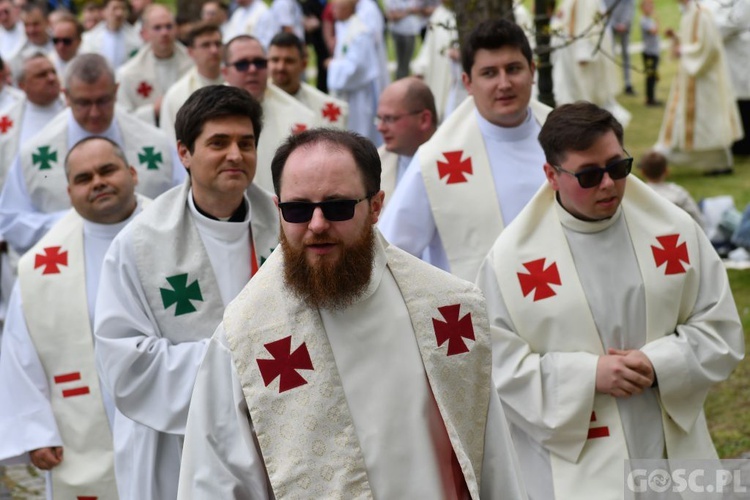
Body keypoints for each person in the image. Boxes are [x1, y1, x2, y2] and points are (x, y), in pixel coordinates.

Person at [176, 128, 527, 499]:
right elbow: (213, 481)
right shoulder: (247, 334)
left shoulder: (448, 308)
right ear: (279, 208)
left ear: (376, 206)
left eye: (337, 207)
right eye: (297, 210)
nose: (316, 225)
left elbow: (493, 459)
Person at [476, 101, 744, 500]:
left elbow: (719, 325)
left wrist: (660, 363)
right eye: (588, 175)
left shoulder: (671, 230)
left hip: (664, 440)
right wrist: (588, 376)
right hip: (578, 456)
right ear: (551, 175)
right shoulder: (512, 261)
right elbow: (498, 366)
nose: (608, 184)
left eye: (618, 167)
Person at [94, 85, 279, 500]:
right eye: (219, 142)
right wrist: (241, 365)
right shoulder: (138, 244)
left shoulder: (289, 226)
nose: (236, 154)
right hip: (175, 443)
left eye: (246, 143)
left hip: (275, 430)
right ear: (184, 153)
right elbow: (126, 362)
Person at [0, 137, 144, 500]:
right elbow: (19, 352)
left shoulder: (174, 231)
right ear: (69, 191)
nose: (97, 181)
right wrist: (37, 432)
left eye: (107, 170)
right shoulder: (39, 268)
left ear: (132, 173)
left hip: (167, 414)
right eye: (84, 178)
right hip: (86, 432)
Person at [379, 19, 550, 282]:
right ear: (468, 82)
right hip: (481, 315)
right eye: (489, 73)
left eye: (513, 69)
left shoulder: (565, 139)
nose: (504, 84)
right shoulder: (436, 160)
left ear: (532, 71)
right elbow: (390, 252)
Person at [0, 53, 183, 255]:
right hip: (68, 263)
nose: (95, 113)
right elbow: (11, 219)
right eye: (84, 103)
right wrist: (82, 223)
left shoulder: (155, 143)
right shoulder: (34, 153)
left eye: (103, 101)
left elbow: (182, 201)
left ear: (116, 91)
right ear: (66, 96)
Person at [654, 0, 743, 174]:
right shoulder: (689, 13)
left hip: (705, 78)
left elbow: (709, 46)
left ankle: (721, 163)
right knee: (697, 120)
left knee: (709, 120)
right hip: (692, 75)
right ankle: (714, 162)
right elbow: (692, 41)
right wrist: (676, 38)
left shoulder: (702, 13)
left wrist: (684, 51)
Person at [222, 34, 314, 192]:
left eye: (259, 63)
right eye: (242, 64)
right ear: (225, 71)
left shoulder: (300, 117)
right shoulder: (207, 115)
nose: (252, 70)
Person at [115, 4, 192, 126]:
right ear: (144, 33)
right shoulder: (128, 73)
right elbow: (122, 117)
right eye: (157, 28)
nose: (164, 32)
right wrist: (153, 111)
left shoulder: (193, 62)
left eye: (169, 26)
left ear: (176, 29)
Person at [0, 53, 64, 188]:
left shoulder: (76, 109)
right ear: (23, 85)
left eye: (53, 72)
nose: (51, 78)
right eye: (41, 75)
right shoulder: (6, 122)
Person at [327, 0, 381, 144]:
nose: (333, 12)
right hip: (348, 93)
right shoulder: (346, 27)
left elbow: (357, 67)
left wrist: (332, 66)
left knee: (358, 133)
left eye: (336, 8)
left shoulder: (359, 32)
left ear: (348, 9)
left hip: (358, 96)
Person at [376, 76, 437, 205]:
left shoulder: (452, 164)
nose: (380, 128)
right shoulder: (374, 164)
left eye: (390, 119)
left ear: (424, 120)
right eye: (379, 118)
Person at [268, 32, 348, 129]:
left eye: (289, 61)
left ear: (304, 64)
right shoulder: (257, 101)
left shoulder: (324, 107)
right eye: (275, 60)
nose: (281, 67)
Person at [160, 22, 223, 142]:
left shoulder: (238, 83)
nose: (214, 50)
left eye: (218, 44)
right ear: (190, 52)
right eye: (206, 45)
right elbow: (170, 141)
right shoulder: (177, 95)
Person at [703, 0, 750, 156]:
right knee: (733, 99)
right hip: (728, 51)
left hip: (741, 50)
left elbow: (737, 21)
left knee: (743, 99)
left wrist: (710, 27)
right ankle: (737, 142)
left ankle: (744, 145)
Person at [639, 149, 704, 229]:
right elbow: (696, 217)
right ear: (667, 171)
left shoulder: (638, 194)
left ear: (642, 172)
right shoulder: (678, 193)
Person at [79, 0, 140, 70]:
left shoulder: (137, 38)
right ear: (104, 12)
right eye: (115, 8)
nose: (119, 13)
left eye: (123, 9)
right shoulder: (89, 39)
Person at [8, 2, 52, 83]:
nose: (31, 30)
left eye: (36, 24)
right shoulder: (18, 57)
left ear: (47, 22)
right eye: (27, 25)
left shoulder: (63, 41)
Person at [603, 0, 635, 95]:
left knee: (626, 55)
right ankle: (610, 83)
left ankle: (628, 83)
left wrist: (625, 23)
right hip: (611, 26)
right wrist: (613, 24)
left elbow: (630, 7)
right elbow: (605, 8)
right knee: (610, 54)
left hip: (625, 26)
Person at [384, 0, 422, 80]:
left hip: (411, 32)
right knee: (401, 65)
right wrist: (409, 11)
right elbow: (392, 16)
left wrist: (402, 12)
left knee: (406, 64)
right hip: (399, 32)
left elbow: (419, 9)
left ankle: (404, 85)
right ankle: (400, 86)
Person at [639, 0, 660, 106]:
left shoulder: (648, 20)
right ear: (642, 8)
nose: (651, 8)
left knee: (653, 76)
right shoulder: (644, 20)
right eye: (648, 6)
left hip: (654, 52)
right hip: (649, 53)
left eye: (651, 5)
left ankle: (652, 97)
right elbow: (654, 31)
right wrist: (657, 19)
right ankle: (650, 99)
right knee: (650, 76)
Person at [48, 12, 81, 77]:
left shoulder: (89, 64)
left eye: (66, 41)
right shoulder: (47, 64)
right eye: (56, 41)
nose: (61, 46)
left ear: (79, 41)